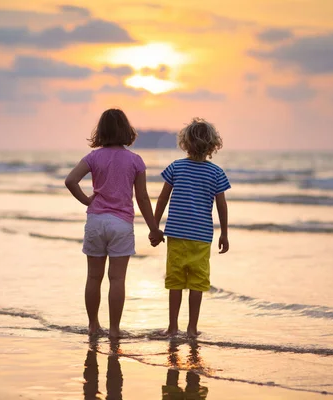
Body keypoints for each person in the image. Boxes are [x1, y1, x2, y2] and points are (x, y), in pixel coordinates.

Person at [65, 108, 164, 339]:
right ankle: (114, 330)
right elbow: (141, 198)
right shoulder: (136, 161)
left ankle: (92, 326)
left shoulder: (93, 157)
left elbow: (70, 180)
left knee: (93, 277)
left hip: (96, 221)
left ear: (101, 131)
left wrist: (86, 200)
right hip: (121, 223)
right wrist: (153, 228)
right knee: (117, 279)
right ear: (126, 131)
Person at [150, 117, 230, 338]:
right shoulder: (216, 173)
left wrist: (154, 226)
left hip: (176, 234)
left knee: (175, 280)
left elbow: (162, 198)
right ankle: (192, 328)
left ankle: (173, 327)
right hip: (202, 237)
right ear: (213, 145)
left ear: (185, 143)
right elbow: (222, 205)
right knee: (197, 282)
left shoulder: (176, 167)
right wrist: (224, 233)